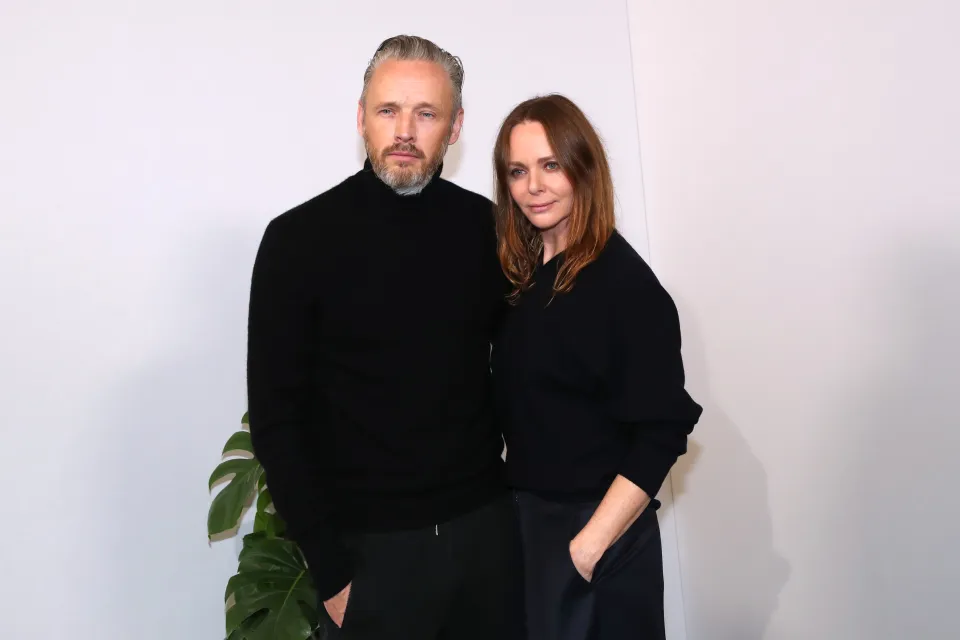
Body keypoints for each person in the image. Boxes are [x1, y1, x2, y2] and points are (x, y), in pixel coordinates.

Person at [246, 35, 522, 639]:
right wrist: (332, 569)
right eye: (388, 110)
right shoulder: (297, 241)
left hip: (488, 540)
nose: (405, 130)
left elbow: (531, 373)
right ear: (361, 118)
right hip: (368, 558)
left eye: (426, 113)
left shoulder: (492, 229)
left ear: (454, 128)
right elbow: (275, 419)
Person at [491, 94, 703, 640]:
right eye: (518, 171)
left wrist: (587, 547)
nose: (533, 186)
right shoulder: (523, 282)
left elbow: (663, 430)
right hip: (532, 529)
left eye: (550, 165)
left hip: (596, 537)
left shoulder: (624, 285)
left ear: (583, 168)